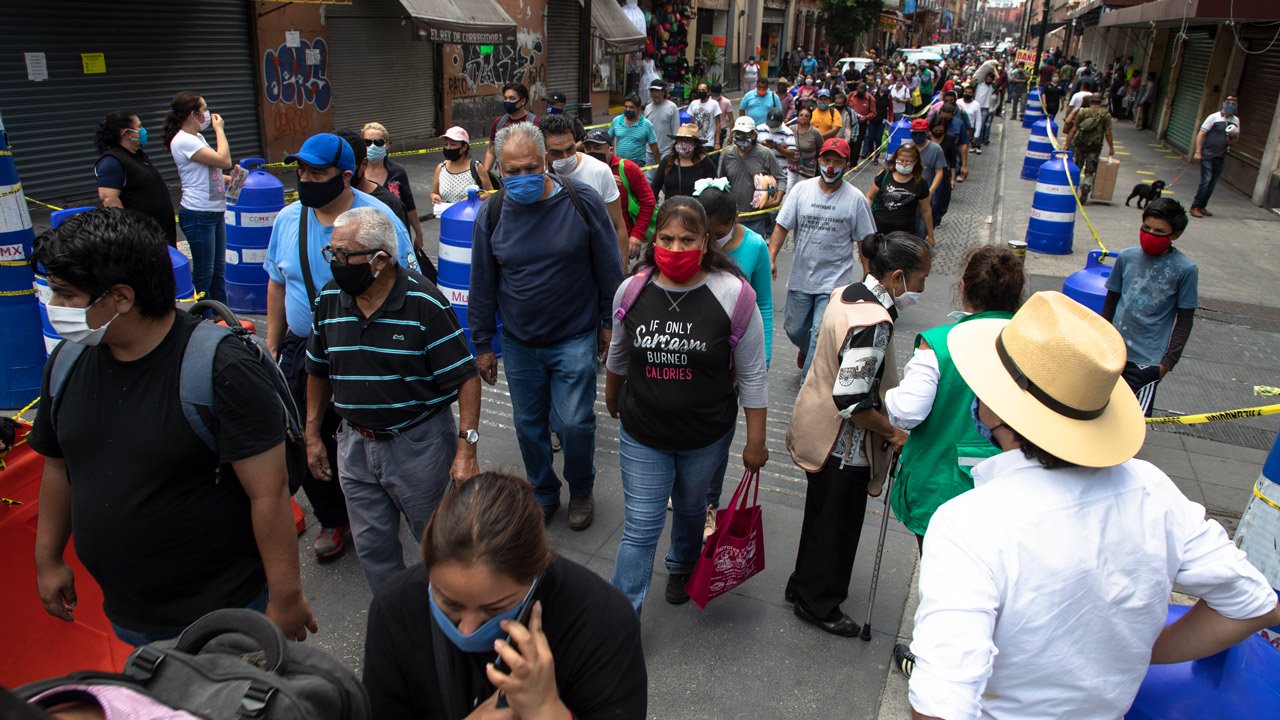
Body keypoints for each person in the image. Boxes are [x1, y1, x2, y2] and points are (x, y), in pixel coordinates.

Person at [903, 290, 1280, 719]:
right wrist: (1138, 655)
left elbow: (940, 705)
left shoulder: (970, 524)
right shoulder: (1152, 489)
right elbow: (1255, 605)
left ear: (995, 412)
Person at [29, 209, 317, 646]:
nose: (55, 307)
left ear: (121, 297)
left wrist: (286, 597)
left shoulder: (220, 369)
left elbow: (269, 493)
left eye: (66, 294)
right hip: (127, 612)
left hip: (223, 615)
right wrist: (47, 559)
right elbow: (58, 466)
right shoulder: (67, 363)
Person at [362, 471, 647, 719]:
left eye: (494, 610)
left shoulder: (603, 623)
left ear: (539, 568)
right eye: (450, 604)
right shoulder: (395, 607)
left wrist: (548, 711)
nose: (467, 630)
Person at [604, 197, 769, 613]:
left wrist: (756, 442)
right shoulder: (633, 289)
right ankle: (622, 621)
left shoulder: (735, 296)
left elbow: (751, 375)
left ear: (706, 242)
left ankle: (682, 562)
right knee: (640, 527)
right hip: (643, 435)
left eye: (687, 239)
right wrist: (611, 399)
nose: (675, 249)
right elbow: (619, 356)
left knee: (693, 509)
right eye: (666, 238)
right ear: (654, 239)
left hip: (706, 437)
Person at [305, 207, 481, 593]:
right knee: (373, 548)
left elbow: (466, 378)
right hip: (353, 445)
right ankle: (398, 622)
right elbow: (317, 369)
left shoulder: (425, 304)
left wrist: (466, 449)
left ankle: (451, 623)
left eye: (341, 255)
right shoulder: (330, 300)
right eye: (329, 253)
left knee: (438, 543)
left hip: (417, 446)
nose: (333, 264)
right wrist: (312, 434)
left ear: (380, 259)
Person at [265, 132, 418, 561]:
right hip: (302, 350)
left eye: (317, 172)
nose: (305, 178)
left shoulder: (378, 217)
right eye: (301, 171)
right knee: (307, 436)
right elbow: (277, 283)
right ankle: (334, 518)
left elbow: (404, 284)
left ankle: (389, 502)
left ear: (346, 175)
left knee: (376, 434)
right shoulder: (287, 219)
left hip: (364, 350)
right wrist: (273, 346)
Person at [470, 123, 623, 529]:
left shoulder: (580, 200)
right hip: (520, 343)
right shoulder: (493, 212)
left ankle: (582, 487)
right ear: (498, 169)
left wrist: (610, 323)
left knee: (574, 423)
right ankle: (544, 491)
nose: (520, 178)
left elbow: (610, 268)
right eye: (511, 171)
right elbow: (482, 282)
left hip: (574, 336)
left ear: (545, 162)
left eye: (529, 168)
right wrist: (482, 344)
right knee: (528, 425)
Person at [785, 231, 932, 636]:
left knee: (819, 515)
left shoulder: (847, 292)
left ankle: (803, 584)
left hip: (816, 428)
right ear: (897, 276)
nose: (921, 288)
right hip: (843, 445)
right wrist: (893, 433)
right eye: (920, 279)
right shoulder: (873, 322)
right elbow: (852, 400)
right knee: (837, 523)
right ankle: (818, 603)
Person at [885, 247, 1023, 552]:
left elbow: (907, 412)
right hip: (1017, 485)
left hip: (941, 483)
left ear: (963, 286)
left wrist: (891, 393)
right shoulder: (1032, 342)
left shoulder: (939, 344)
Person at [767, 138, 877, 373]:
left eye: (837, 162)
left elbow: (864, 241)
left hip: (835, 281)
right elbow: (781, 226)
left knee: (820, 332)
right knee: (794, 328)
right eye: (827, 160)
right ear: (818, 161)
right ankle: (806, 349)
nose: (830, 167)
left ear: (846, 165)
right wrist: (771, 257)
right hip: (802, 276)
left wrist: (869, 275)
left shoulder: (856, 199)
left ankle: (810, 382)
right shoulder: (801, 191)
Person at [1100, 198, 1196, 417]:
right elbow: (1111, 302)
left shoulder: (1186, 269)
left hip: (1147, 363)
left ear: (1175, 235)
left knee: (1131, 422)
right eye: (1146, 228)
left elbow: (1184, 321)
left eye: (1159, 231)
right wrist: (1102, 339)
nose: (1150, 234)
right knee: (1100, 413)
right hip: (1113, 353)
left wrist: (1166, 364)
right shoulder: (1126, 257)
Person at [165, 90, 230, 303]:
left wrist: (227, 179)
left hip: (214, 210)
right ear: (193, 114)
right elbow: (223, 159)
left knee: (218, 270)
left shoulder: (197, 137)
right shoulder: (183, 140)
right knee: (205, 272)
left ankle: (222, 314)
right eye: (204, 109)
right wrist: (219, 130)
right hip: (198, 213)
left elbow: (209, 169)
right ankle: (203, 316)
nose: (208, 115)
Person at [543, 114, 632, 268]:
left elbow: (618, 226)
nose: (565, 156)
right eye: (556, 153)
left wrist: (622, 272)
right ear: (543, 152)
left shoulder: (600, 171)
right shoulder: (538, 176)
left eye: (570, 149)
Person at [93, 111, 176, 247]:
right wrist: (130, 233)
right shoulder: (111, 161)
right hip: (143, 238)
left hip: (161, 232)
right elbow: (109, 199)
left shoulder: (137, 155)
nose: (143, 131)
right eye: (139, 127)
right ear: (126, 133)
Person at [584, 128, 659, 257]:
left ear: (611, 150)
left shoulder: (628, 168)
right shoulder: (580, 171)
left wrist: (637, 235)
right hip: (593, 242)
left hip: (623, 241)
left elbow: (648, 202)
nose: (592, 152)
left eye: (597, 148)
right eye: (588, 148)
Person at [718, 115, 787, 239]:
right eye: (737, 133)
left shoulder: (765, 154)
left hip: (757, 218)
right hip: (733, 217)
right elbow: (721, 182)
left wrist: (778, 198)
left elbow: (781, 178)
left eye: (744, 133)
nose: (740, 136)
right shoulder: (728, 155)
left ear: (754, 135)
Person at [361, 122, 425, 248]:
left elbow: (409, 205)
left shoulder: (397, 172)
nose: (372, 146)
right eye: (367, 142)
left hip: (395, 236)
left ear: (386, 144)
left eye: (378, 142)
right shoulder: (356, 172)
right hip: (365, 238)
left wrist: (419, 233)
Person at [867, 143, 934, 245]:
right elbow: (870, 197)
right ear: (895, 160)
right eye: (901, 160)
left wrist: (930, 235)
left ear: (915, 162)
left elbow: (926, 210)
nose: (904, 164)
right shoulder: (884, 175)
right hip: (879, 231)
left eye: (908, 162)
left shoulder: (920, 183)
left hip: (905, 234)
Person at [1191, 95, 1240, 218]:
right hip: (1208, 154)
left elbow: (1235, 140)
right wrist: (1198, 151)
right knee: (1206, 181)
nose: (1230, 105)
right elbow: (1201, 134)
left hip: (1221, 155)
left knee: (1212, 183)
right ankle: (1195, 207)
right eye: (1228, 102)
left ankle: (1202, 206)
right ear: (1223, 103)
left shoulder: (1236, 121)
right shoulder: (1214, 117)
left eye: (1233, 103)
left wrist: (1233, 136)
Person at [1065, 94, 1115, 204]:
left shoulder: (1082, 112)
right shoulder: (1105, 115)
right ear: (1100, 102)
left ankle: (1072, 190)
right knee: (1090, 171)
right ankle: (1086, 186)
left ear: (1090, 101)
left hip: (1080, 145)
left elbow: (1074, 128)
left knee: (1076, 167)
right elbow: (1108, 132)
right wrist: (1111, 148)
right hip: (1095, 147)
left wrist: (1066, 144)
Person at [481, 82, 539, 176]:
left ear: (522, 101)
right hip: (505, 176)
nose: (507, 101)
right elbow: (491, 150)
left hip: (528, 176)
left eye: (512, 98)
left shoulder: (535, 123)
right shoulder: (499, 123)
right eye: (505, 98)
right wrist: (484, 174)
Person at [647, 123, 718, 200]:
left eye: (688, 140)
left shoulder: (705, 162)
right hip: (671, 209)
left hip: (696, 209)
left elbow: (715, 191)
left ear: (696, 143)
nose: (683, 144)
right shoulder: (667, 161)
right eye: (680, 140)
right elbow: (655, 187)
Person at [430, 126, 494, 205]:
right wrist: (434, 197)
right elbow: (434, 193)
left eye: (453, 145)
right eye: (446, 144)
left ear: (464, 147)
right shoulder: (441, 168)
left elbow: (491, 192)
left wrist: (473, 197)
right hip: (446, 215)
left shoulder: (476, 167)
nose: (448, 148)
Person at [610, 94, 660, 168]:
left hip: (638, 163)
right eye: (626, 107)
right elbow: (610, 137)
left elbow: (653, 146)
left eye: (631, 107)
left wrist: (659, 165)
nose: (628, 109)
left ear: (638, 108)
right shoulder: (616, 121)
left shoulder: (646, 124)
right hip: (620, 162)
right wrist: (612, 156)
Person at [644, 80, 682, 168]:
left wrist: (674, 149)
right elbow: (645, 130)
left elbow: (675, 130)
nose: (654, 94)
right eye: (652, 91)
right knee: (650, 179)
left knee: (666, 175)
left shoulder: (672, 107)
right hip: (650, 151)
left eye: (657, 91)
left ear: (663, 92)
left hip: (666, 150)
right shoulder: (648, 108)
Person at [786, 107, 824, 193]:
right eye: (801, 115)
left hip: (808, 167)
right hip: (792, 164)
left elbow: (821, 148)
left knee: (802, 189)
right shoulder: (790, 129)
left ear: (810, 118)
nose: (803, 117)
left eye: (806, 116)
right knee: (788, 186)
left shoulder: (816, 132)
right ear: (797, 117)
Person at [757, 106, 797, 172]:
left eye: (774, 125)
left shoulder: (788, 133)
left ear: (781, 122)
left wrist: (776, 147)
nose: (771, 127)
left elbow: (792, 154)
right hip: (761, 170)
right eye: (770, 124)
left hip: (780, 170)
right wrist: (761, 146)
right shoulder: (759, 129)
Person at [687, 81, 722, 151]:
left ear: (708, 92)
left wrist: (717, 142)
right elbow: (691, 123)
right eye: (699, 90)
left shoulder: (714, 104)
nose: (701, 92)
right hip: (696, 141)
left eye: (703, 90)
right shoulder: (693, 104)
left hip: (709, 142)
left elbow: (718, 124)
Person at [849, 83, 877, 160]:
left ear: (865, 91)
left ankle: (854, 162)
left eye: (862, 90)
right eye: (859, 89)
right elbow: (846, 106)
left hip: (861, 124)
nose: (860, 91)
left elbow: (873, 112)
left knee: (858, 143)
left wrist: (866, 117)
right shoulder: (851, 95)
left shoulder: (870, 98)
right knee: (848, 141)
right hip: (849, 123)